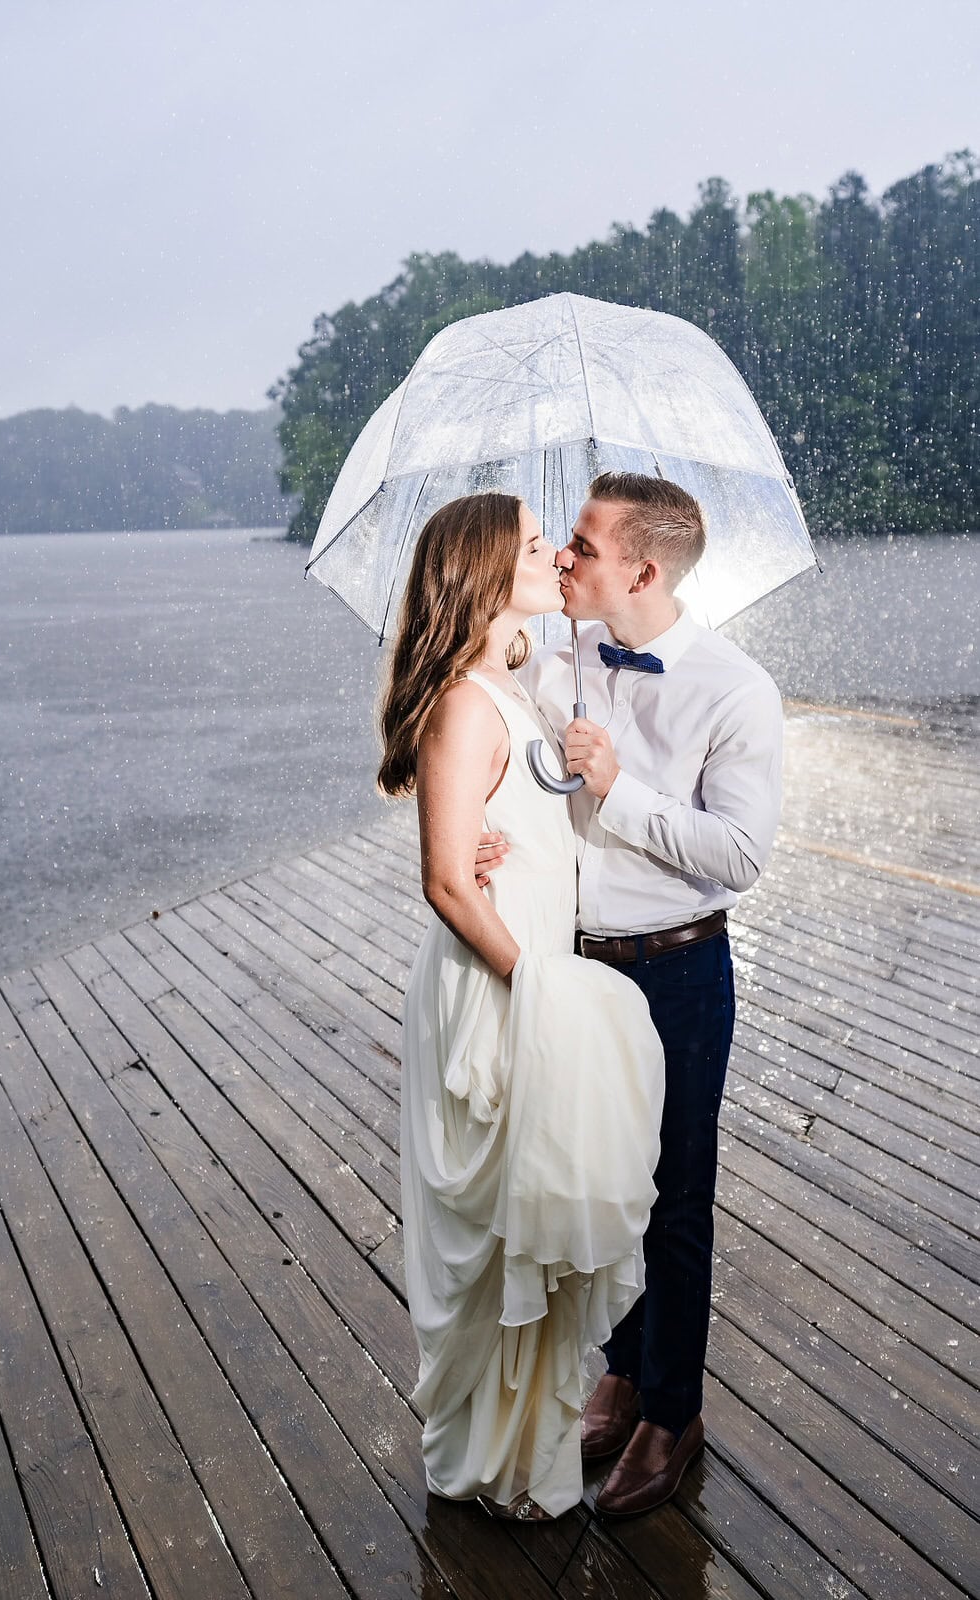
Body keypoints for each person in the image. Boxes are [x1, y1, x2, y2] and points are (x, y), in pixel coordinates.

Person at [480, 471, 783, 1516]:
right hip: (576, 962)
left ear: (644, 570)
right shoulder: (556, 653)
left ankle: (669, 1410)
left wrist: (620, 787)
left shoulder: (734, 689)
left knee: (674, 1193)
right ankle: (613, 1369)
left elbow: (738, 853)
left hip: (677, 967)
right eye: (562, 542)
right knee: (598, 1182)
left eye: (581, 545)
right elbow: (493, 748)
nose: (562, 558)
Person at [379, 491, 664, 1522]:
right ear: (487, 571)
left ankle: (523, 1449)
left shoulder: (512, 688)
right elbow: (448, 882)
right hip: (500, 992)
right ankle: (489, 1463)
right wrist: (543, 990)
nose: (553, 558)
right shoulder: (461, 701)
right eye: (537, 547)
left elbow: (510, 834)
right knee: (502, 1227)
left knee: (529, 1221)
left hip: (527, 973)